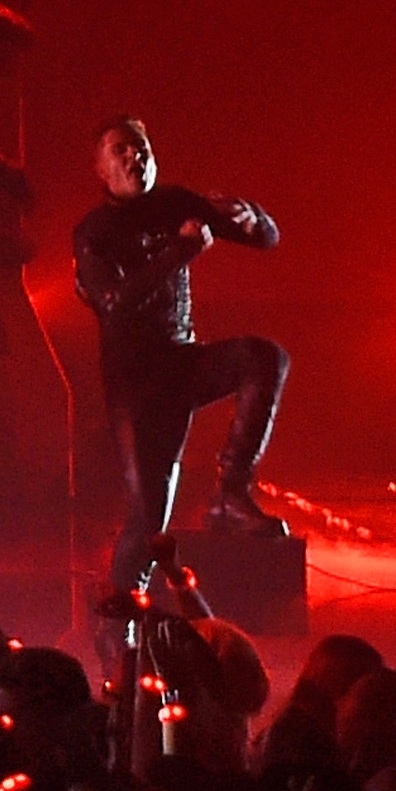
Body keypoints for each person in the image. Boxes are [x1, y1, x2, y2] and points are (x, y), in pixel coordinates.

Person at [71, 115, 289, 571]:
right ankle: (123, 604)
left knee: (263, 357)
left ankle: (232, 493)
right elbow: (112, 303)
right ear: (100, 170)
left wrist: (250, 215)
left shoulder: (175, 203)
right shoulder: (94, 232)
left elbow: (266, 239)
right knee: (149, 521)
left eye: (141, 147)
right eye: (120, 150)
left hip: (182, 363)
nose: (135, 156)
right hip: (137, 389)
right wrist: (180, 251)